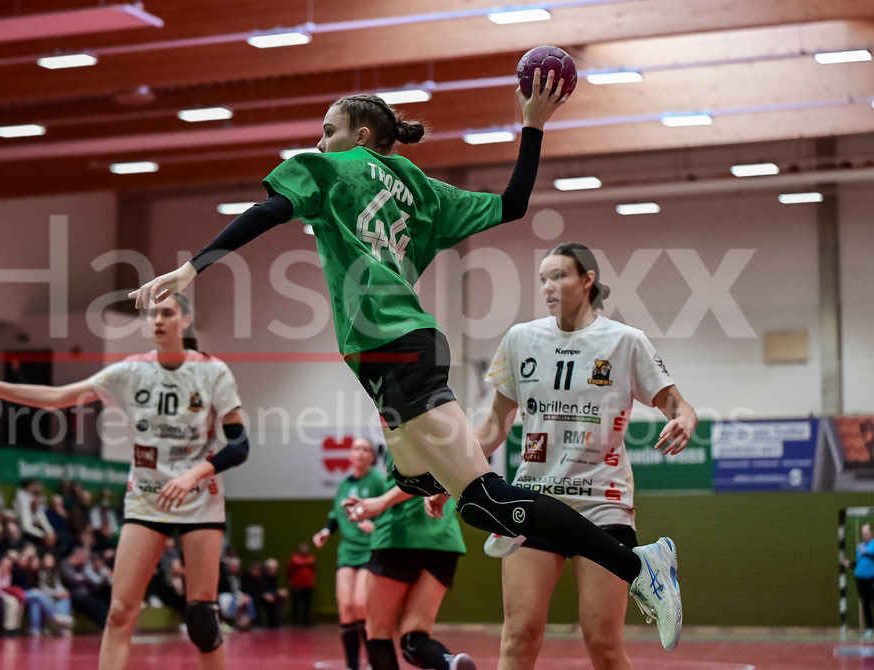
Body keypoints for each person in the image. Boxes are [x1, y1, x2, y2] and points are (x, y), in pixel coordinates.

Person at [131, 70, 684, 650]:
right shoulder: (419, 188)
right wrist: (532, 126)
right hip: (403, 351)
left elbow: (268, 212)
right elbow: (513, 203)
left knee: (485, 501)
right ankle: (445, 483)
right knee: (421, 477)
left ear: (363, 135)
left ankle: (638, 564)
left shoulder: (331, 168)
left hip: (393, 350)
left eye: (329, 130)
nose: (320, 142)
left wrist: (193, 267)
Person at [0, 291, 248, 670]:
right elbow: (59, 397)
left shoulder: (212, 371)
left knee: (201, 618)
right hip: (148, 498)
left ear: (186, 321)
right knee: (119, 613)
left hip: (200, 499)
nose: (158, 320)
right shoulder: (130, 371)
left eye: (167, 312)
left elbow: (239, 445)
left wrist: (195, 472)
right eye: (152, 314)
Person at [476, 243, 697, 669]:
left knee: (603, 642)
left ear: (587, 280)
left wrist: (685, 420)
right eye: (542, 279)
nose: (548, 287)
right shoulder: (520, 339)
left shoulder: (625, 341)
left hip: (602, 505)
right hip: (533, 502)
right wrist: (453, 477)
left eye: (558, 276)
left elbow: (678, 405)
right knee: (518, 637)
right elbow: (493, 426)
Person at [345, 455, 474, 670]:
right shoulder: (453, 432)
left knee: (378, 635)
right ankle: (450, 665)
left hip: (399, 534)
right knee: (414, 641)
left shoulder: (403, 426)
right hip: (443, 538)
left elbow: (423, 479)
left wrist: (379, 503)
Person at [313, 438, 384, 670]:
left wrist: (376, 526)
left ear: (372, 457)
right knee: (345, 607)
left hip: (369, 549)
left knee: (360, 604)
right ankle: (352, 665)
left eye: (365, 449)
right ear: (350, 455)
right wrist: (325, 531)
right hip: (347, 550)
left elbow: (389, 508)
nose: (360, 452)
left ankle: (374, 661)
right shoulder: (344, 484)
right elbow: (335, 515)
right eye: (356, 448)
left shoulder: (378, 481)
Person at [851, 523, 874, 638]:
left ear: (871, 533)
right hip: (860, 579)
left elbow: (870, 554)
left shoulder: (873, 545)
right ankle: (869, 628)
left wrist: (865, 551)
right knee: (865, 604)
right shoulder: (860, 547)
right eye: (863, 533)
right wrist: (850, 564)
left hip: (871, 579)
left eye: (866, 532)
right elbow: (859, 563)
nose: (864, 535)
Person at [286, 542, 317, 626]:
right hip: (296, 585)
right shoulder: (294, 558)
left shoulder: (311, 558)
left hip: (308, 585)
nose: (304, 550)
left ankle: (307, 622)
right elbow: (289, 570)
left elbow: (314, 570)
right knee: (296, 605)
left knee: (307, 605)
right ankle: (295, 622)